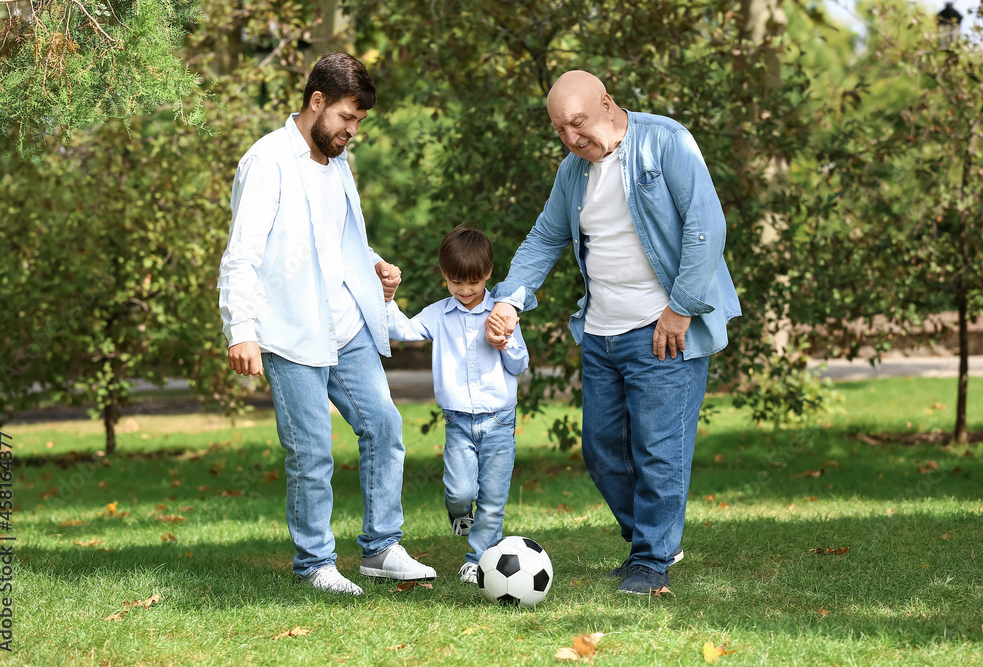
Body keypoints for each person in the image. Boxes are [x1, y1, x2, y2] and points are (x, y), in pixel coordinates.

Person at [485, 70, 740, 596]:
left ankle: (652, 558)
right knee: (602, 450)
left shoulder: (665, 141)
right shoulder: (572, 172)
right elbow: (544, 237)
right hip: (601, 332)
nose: (571, 139)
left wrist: (681, 307)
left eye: (578, 124)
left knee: (658, 451)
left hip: (663, 329)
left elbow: (705, 226)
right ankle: (654, 538)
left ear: (607, 103)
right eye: (559, 130)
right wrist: (510, 298)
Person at [217, 52, 436, 596]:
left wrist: (375, 265)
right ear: (317, 101)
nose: (351, 131)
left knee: (383, 427)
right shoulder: (267, 161)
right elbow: (241, 255)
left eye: (359, 121)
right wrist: (240, 329)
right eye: (346, 117)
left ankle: (382, 548)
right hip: (291, 333)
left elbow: (334, 241)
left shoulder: (337, 163)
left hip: (348, 326)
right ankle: (315, 563)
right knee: (311, 450)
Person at [385, 226, 529, 584]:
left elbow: (520, 364)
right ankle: (460, 515)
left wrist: (505, 343)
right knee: (460, 491)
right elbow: (403, 330)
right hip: (459, 422)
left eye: (473, 284)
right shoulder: (438, 314)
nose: (464, 291)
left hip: (499, 421)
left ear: (488, 275)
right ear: (444, 276)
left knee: (493, 499)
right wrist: (387, 300)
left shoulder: (502, 312)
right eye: (455, 283)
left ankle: (477, 558)